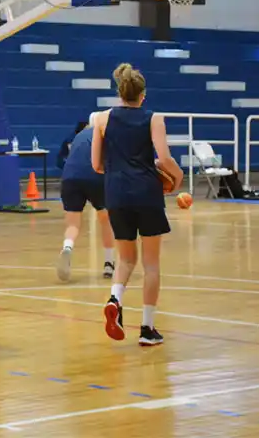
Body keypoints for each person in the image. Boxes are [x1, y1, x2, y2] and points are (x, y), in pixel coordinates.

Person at [92, 63, 182, 346]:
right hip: (146, 191)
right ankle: (147, 328)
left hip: (115, 193)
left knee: (126, 258)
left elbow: (96, 165)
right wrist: (177, 177)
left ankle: (114, 299)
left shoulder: (102, 119)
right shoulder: (154, 118)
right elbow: (164, 159)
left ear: (120, 93)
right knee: (151, 263)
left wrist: (121, 171)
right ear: (143, 94)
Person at [57, 112, 116, 281]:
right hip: (95, 176)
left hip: (69, 177)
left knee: (73, 224)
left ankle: (68, 247)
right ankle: (109, 263)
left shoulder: (79, 135)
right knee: (106, 219)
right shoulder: (107, 134)